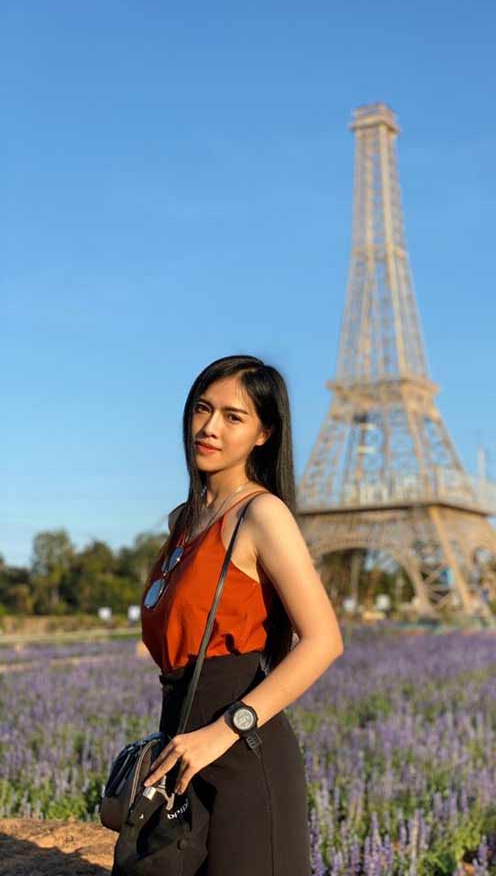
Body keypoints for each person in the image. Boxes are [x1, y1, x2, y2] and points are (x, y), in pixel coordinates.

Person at [140, 355, 344, 875]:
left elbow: (324, 640)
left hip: (242, 755)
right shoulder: (183, 522)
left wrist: (227, 728)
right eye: (202, 409)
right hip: (182, 749)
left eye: (234, 417)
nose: (209, 427)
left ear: (264, 434)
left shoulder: (261, 514)